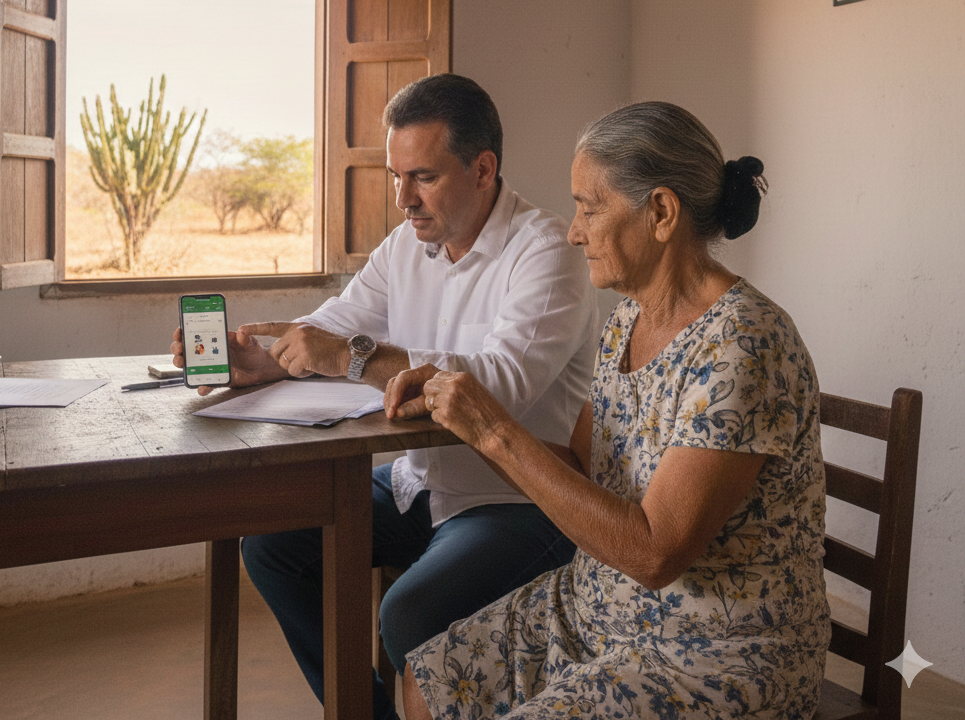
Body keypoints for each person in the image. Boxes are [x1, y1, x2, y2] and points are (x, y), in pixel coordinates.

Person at [172, 74, 599, 720]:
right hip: (419, 481)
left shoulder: (545, 254)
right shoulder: (408, 245)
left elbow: (497, 385)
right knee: (270, 547)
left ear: (483, 169)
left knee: (408, 615)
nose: (403, 198)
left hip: (518, 497)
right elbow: (336, 327)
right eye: (396, 177)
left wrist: (352, 357)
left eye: (422, 177)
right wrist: (262, 364)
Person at [391, 101, 830, 720]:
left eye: (589, 208)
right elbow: (581, 461)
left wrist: (493, 431)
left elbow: (656, 552)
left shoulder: (744, 344)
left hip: (713, 653)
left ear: (660, 212)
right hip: (599, 607)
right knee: (428, 677)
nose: (574, 231)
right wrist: (464, 422)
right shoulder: (628, 318)